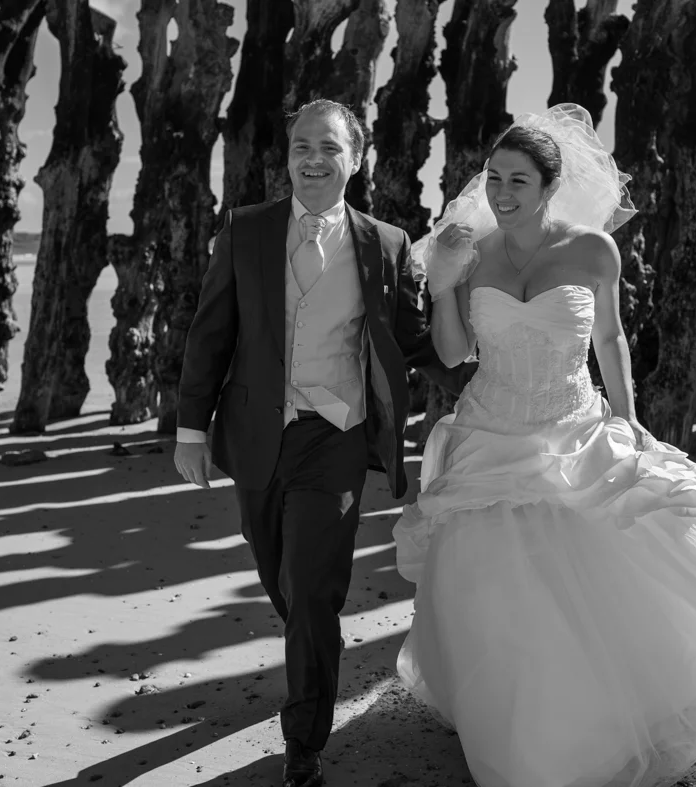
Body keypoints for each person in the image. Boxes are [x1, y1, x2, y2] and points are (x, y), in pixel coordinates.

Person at [393, 104, 696, 787]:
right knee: (489, 580)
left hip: (569, 421)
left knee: (602, 560)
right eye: (493, 177)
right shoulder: (471, 251)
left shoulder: (593, 249)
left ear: (549, 186)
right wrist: (440, 288)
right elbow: (450, 351)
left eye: (517, 180)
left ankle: (588, 715)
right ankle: (508, 711)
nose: (499, 191)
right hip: (489, 430)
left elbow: (610, 339)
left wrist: (628, 417)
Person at [174, 99, 466, 787]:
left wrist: (486, 365)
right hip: (255, 431)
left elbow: (409, 339)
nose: (313, 158)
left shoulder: (385, 243)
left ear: (354, 158)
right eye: (302, 145)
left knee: (312, 590)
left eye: (329, 148)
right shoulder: (245, 230)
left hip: (335, 436)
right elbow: (210, 332)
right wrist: (190, 428)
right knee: (279, 576)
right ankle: (304, 648)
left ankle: (303, 741)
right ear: (288, 156)